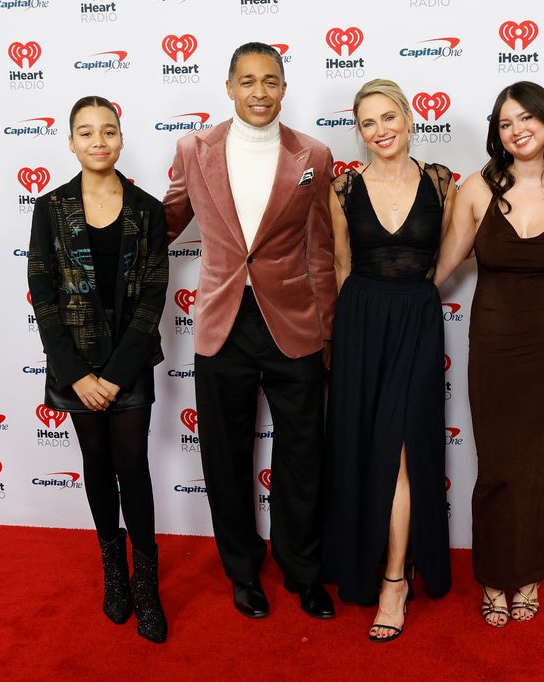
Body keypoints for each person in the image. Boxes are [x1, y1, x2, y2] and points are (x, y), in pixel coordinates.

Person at [162, 42, 338, 620]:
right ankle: (242, 571)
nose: (259, 91)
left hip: (295, 327)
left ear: (284, 88)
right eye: (247, 81)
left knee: (303, 457)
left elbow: (320, 251)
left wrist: (328, 332)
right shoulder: (194, 149)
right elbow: (165, 221)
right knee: (224, 456)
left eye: (270, 80)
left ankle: (303, 571)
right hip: (221, 325)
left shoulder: (313, 153)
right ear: (229, 87)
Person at [434, 81, 544, 627]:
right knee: (498, 466)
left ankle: (529, 575)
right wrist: (388, 301)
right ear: (497, 132)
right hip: (495, 345)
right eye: (506, 123)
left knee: (541, 467)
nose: (517, 130)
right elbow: (442, 268)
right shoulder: (476, 190)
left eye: (527, 118)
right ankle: (493, 577)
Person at [27, 96, 170, 643]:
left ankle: (146, 583)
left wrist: (115, 375)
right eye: (86, 133)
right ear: (70, 142)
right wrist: (75, 374)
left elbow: (154, 295)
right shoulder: (50, 207)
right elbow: (42, 292)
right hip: (75, 367)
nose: (98, 141)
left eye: (108, 131)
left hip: (127, 364)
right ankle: (114, 573)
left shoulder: (147, 209)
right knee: (96, 462)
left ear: (121, 138)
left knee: (132, 465)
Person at [323, 79, 454, 642]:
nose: (380, 131)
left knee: (402, 449)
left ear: (408, 117)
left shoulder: (442, 182)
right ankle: (368, 559)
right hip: (360, 321)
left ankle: (395, 581)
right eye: (368, 123)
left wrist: (420, 297)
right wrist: (340, 341)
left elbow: (447, 255)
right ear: (359, 130)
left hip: (417, 320)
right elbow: (340, 266)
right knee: (364, 446)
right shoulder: (343, 189)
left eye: (388, 118)